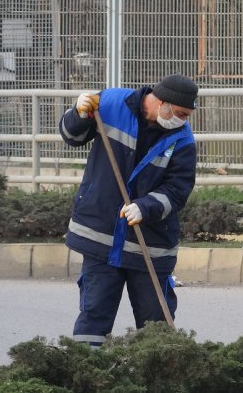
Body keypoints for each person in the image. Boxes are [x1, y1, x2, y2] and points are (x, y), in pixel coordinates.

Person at [59, 73, 199, 347]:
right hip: (101, 236)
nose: (184, 121)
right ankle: (88, 375)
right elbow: (71, 137)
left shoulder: (182, 139)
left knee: (156, 325)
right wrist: (77, 114)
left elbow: (177, 191)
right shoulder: (110, 103)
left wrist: (145, 207)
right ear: (162, 103)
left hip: (151, 242)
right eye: (181, 113)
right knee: (93, 316)